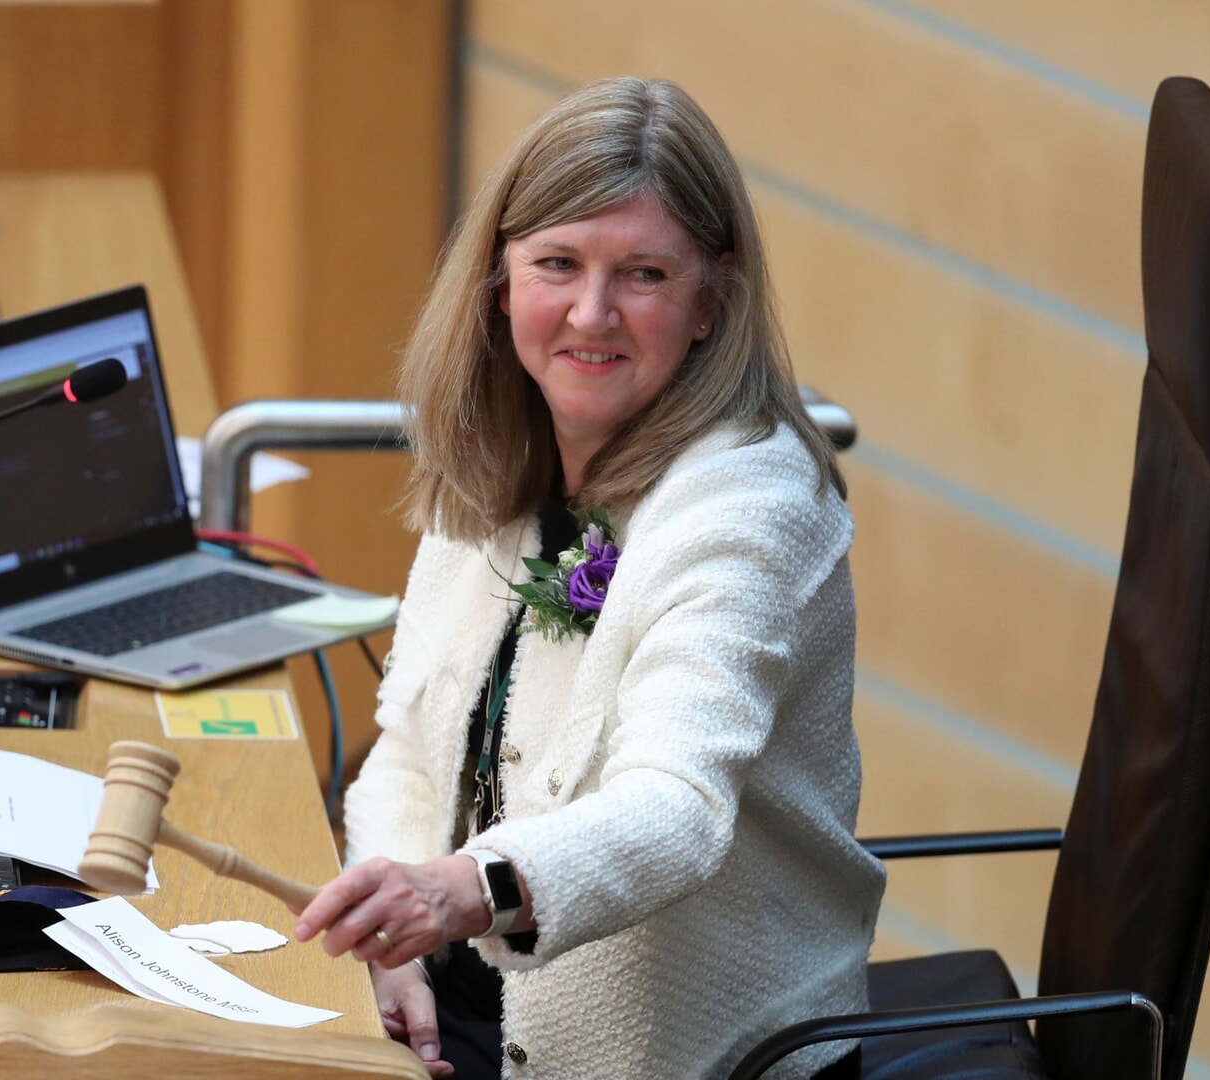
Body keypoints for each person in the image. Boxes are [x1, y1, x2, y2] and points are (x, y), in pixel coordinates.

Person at [291, 77, 886, 1079]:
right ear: (499, 279)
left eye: (644, 273)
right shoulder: (504, 451)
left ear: (712, 300)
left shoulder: (752, 507)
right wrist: (388, 938)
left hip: (685, 1056)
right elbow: (408, 748)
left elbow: (675, 810)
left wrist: (455, 893)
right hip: (468, 1004)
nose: (591, 312)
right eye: (556, 264)